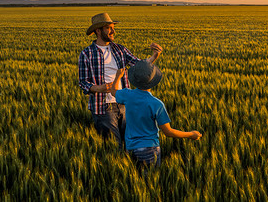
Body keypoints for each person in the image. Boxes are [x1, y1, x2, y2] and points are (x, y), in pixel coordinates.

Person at [78, 13, 162, 149]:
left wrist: (154, 57)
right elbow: (83, 82)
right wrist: (99, 88)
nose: (113, 31)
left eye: (113, 27)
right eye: (108, 28)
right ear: (98, 31)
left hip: (124, 104)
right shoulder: (86, 54)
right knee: (113, 147)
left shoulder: (119, 49)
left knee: (130, 142)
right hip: (103, 107)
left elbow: (138, 65)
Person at [111, 60, 202, 167]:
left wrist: (118, 76)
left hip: (130, 147)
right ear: (153, 81)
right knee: (149, 180)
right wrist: (191, 134)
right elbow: (168, 132)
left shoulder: (127, 95)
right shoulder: (157, 104)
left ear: (134, 79)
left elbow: (113, 91)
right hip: (150, 149)